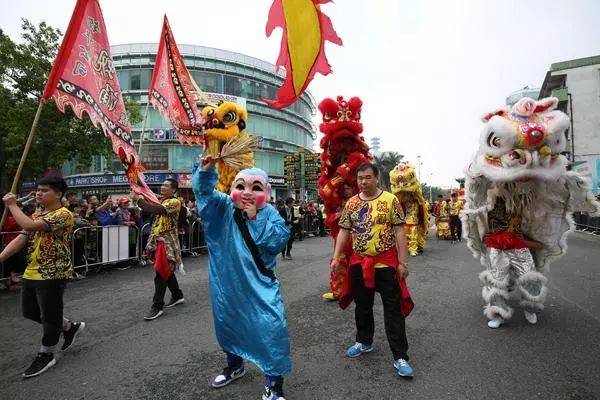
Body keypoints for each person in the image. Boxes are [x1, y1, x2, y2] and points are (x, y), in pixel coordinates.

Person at [192, 156, 291, 400]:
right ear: (232, 188)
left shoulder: (270, 214)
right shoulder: (224, 207)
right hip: (227, 284)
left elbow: (278, 240)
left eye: (256, 188)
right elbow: (204, 193)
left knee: (271, 329)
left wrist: (255, 218)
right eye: (240, 186)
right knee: (228, 325)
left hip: (261, 286)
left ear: (267, 192)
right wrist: (205, 170)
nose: (247, 192)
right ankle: (234, 365)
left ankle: (274, 384)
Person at [330, 163, 415, 378]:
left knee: (393, 309)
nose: (363, 182)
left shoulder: (390, 200)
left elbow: (399, 233)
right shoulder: (351, 203)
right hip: (359, 263)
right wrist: (336, 257)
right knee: (363, 306)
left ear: (377, 178)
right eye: (360, 178)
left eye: (368, 177)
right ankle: (364, 341)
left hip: (386, 263)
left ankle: (400, 356)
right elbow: (343, 232)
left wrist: (403, 263)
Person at [0, 176, 85, 378]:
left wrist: (12, 205)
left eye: (44, 190)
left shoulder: (63, 214)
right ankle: (67, 326)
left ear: (58, 194)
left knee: (49, 315)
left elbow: (29, 227)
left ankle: (46, 354)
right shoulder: (39, 212)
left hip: (53, 272)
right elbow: (22, 237)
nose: (38, 193)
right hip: (32, 270)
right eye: (38, 189)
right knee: (30, 312)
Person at [132, 179, 185, 321]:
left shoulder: (175, 202)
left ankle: (157, 306)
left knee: (160, 272)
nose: (162, 187)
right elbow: (150, 199)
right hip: (158, 240)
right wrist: (138, 184)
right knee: (165, 269)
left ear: (173, 190)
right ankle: (177, 295)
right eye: (162, 184)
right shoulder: (161, 200)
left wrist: (139, 200)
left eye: (166, 185)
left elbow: (157, 210)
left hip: (166, 241)